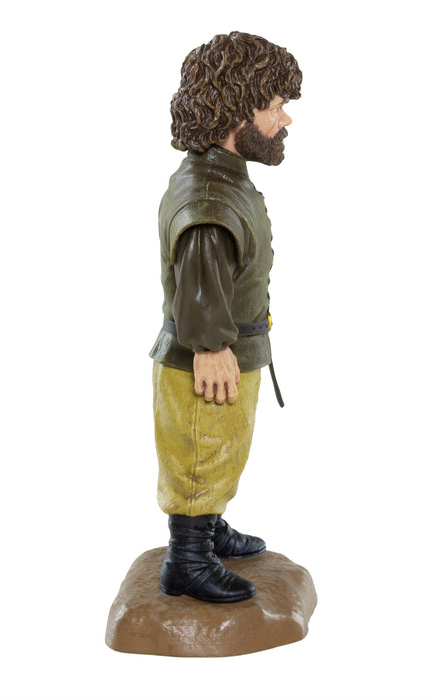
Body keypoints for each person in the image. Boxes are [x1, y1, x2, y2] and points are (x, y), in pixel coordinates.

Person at [149, 31, 302, 603]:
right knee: (199, 451)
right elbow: (200, 281)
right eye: (275, 106)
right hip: (207, 361)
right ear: (238, 111)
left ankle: (208, 528)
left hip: (229, 353)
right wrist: (212, 348)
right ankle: (188, 558)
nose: (285, 120)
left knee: (220, 448)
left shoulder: (222, 180)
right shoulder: (210, 201)